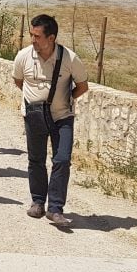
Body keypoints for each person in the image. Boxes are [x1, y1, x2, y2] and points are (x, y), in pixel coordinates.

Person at [13, 14, 89, 227]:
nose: (33, 40)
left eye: (37, 36)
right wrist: (36, 102)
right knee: (36, 160)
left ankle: (55, 209)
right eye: (31, 35)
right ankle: (37, 202)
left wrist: (64, 99)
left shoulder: (70, 59)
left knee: (62, 160)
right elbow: (18, 81)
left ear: (51, 37)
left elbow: (82, 86)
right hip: (34, 116)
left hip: (62, 117)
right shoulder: (23, 56)